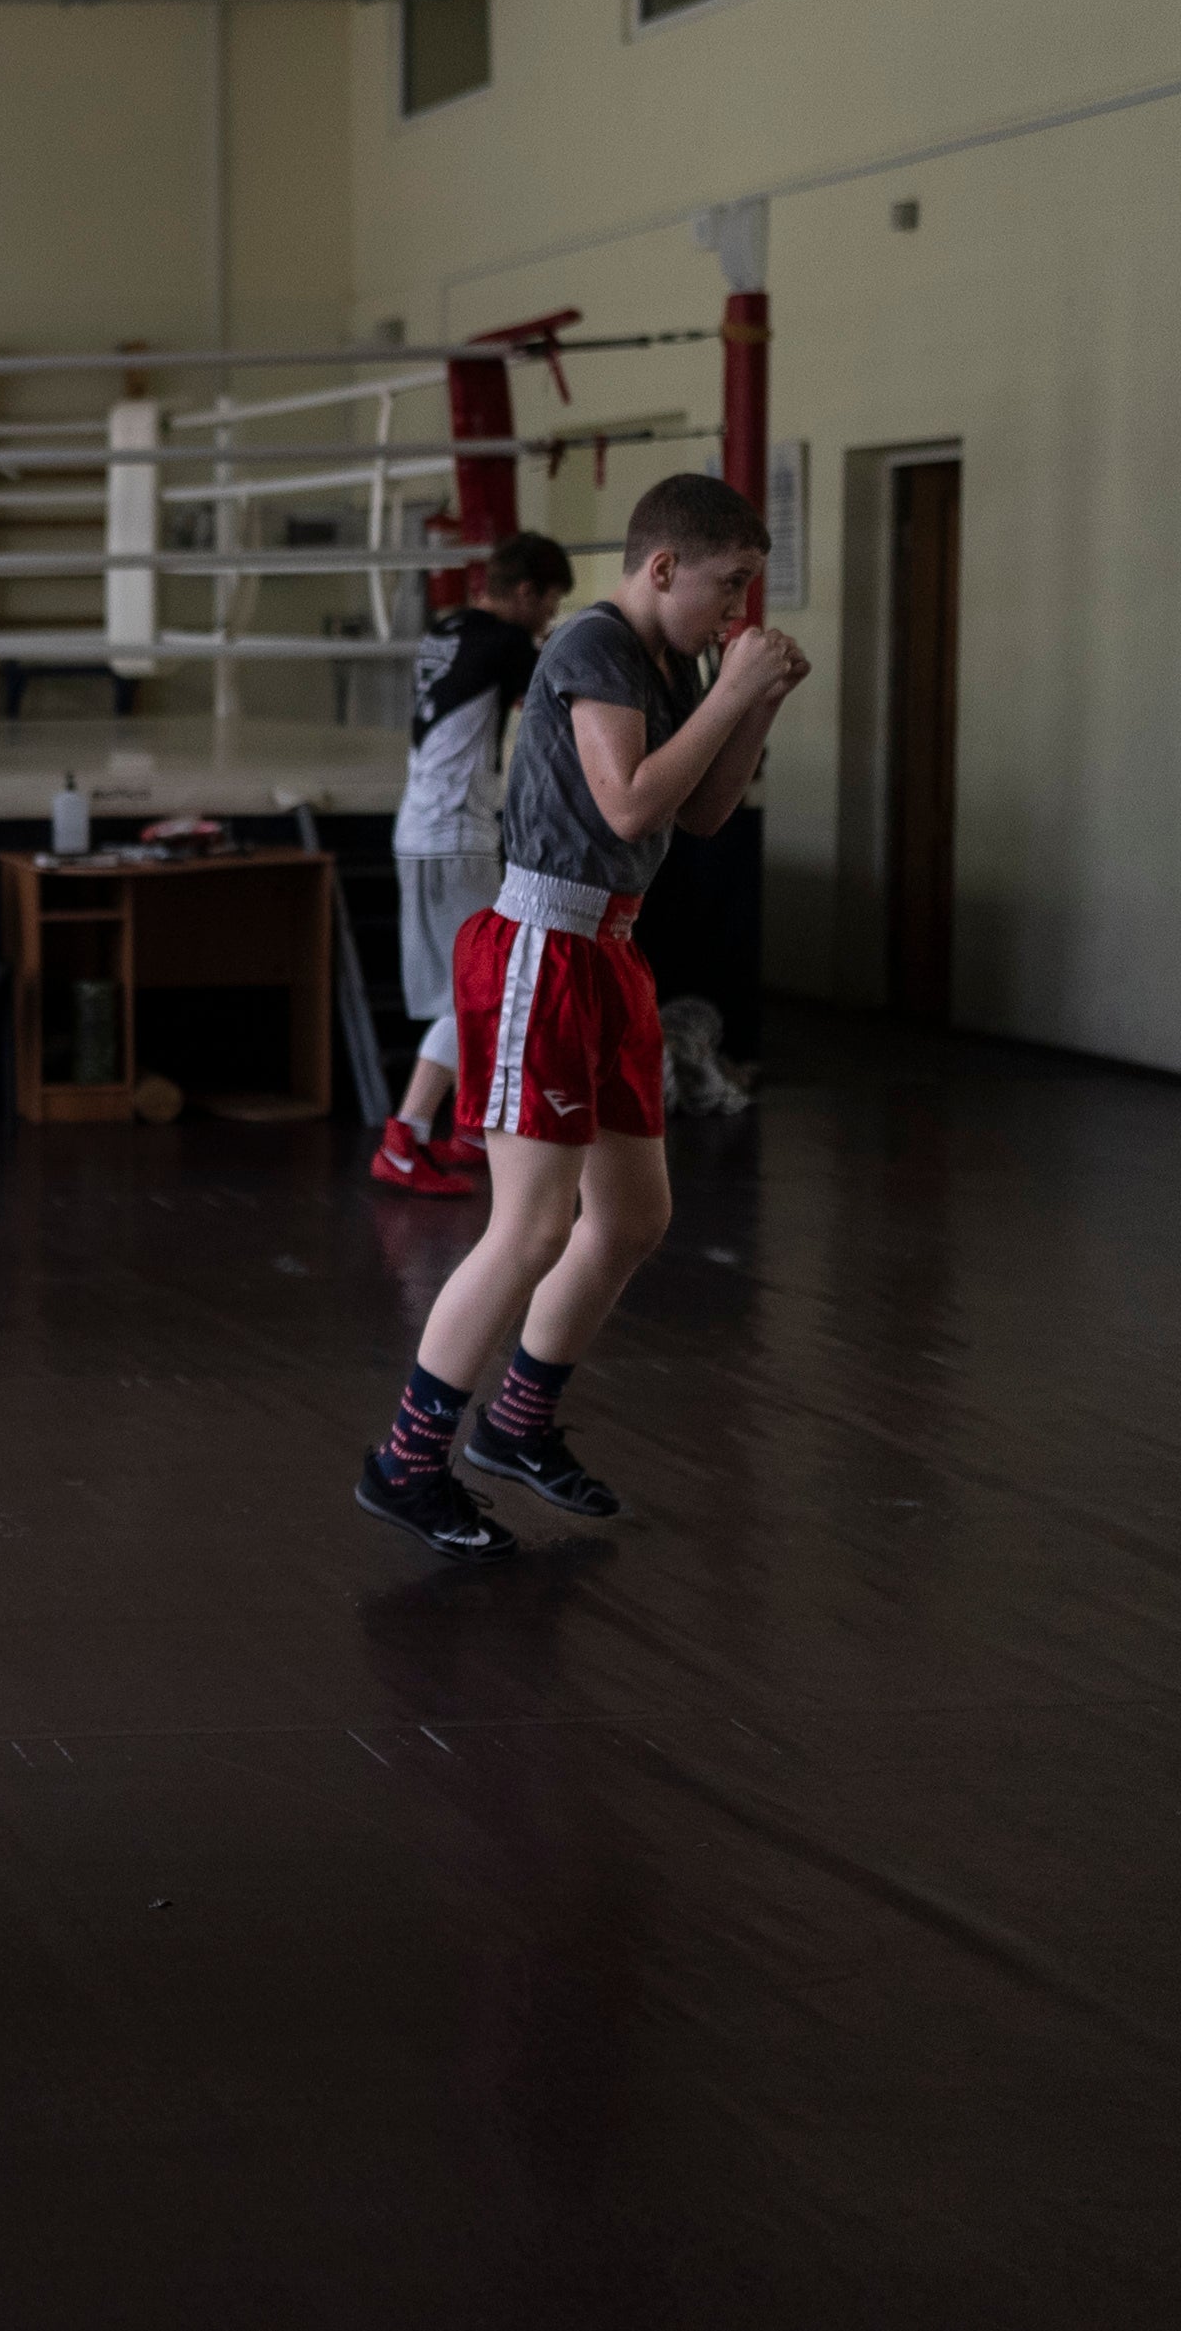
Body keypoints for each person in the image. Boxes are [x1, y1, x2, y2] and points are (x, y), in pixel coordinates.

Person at [351, 475, 808, 1556]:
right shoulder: (594, 647)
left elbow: (699, 814)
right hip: (541, 948)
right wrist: (729, 692)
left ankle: (515, 1425)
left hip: (609, 949)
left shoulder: (672, 658)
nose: (737, 612)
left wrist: (751, 700)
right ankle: (406, 1461)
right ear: (662, 568)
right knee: (532, 1226)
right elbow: (629, 802)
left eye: (748, 590)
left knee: (634, 1218)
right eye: (727, 586)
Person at [371, 532, 576, 1197]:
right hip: (452, 836)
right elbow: (560, 700)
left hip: (427, 829)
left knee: (474, 989)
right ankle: (405, 1135)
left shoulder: (447, 630)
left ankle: (465, 1127)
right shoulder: (507, 643)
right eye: (549, 604)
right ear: (525, 593)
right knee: (476, 992)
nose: (546, 618)